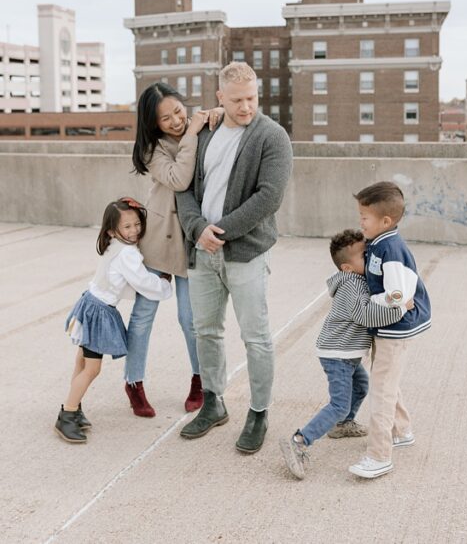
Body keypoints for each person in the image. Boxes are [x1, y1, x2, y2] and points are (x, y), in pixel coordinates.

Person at [175, 61, 294, 454]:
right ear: (220, 98)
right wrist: (197, 231)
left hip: (244, 253)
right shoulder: (206, 133)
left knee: (256, 337)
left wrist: (218, 232)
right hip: (202, 252)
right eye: (238, 99)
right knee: (205, 331)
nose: (246, 107)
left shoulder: (272, 136)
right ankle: (213, 402)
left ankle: (258, 412)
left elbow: (269, 197)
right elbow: (184, 188)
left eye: (252, 98)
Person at [279, 229, 412, 479]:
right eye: (365, 255)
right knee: (339, 404)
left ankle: (342, 425)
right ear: (347, 267)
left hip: (346, 353)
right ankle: (300, 440)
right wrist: (400, 309)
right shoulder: (352, 285)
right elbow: (366, 315)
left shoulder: (358, 280)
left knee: (361, 387)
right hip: (337, 354)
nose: (371, 258)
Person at [124, 83, 221, 418]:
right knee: (143, 316)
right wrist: (193, 130)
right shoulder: (154, 149)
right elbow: (180, 179)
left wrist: (216, 115)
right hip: (158, 238)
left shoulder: (203, 127)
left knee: (190, 318)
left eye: (179, 112)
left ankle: (199, 380)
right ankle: (133, 382)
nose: (176, 121)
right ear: (154, 124)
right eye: (166, 119)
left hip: (191, 239)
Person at [57, 199, 172, 442]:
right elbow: (143, 282)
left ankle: (73, 407)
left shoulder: (114, 244)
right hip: (98, 311)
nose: (134, 231)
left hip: (89, 303)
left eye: (137, 224)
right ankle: (67, 414)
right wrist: (163, 284)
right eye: (127, 227)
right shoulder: (128, 253)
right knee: (92, 369)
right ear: (112, 230)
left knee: (81, 363)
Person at [347, 181, 432, 479]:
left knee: (381, 389)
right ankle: (402, 430)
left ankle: (379, 454)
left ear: (386, 221)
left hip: (395, 327)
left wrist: (372, 300)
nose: (360, 221)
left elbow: (398, 295)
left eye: (365, 217)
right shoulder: (379, 242)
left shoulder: (391, 249)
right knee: (386, 379)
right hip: (386, 325)